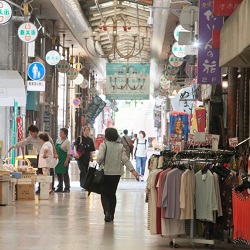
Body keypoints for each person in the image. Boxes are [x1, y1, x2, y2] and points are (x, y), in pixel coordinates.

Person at [96, 127, 140, 223]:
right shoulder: (120, 147)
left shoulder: (104, 145)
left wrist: (98, 162)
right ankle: (111, 214)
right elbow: (125, 160)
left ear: (107, 135)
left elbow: (100, 158)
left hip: (105, 173)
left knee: (104, 194)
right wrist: (133, 171)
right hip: (116, 174)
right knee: (112, 194)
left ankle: (106, 212)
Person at [8, 124, 58, 194]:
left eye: (31, 133)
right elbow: (23, 142)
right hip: (40, 156)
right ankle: (40, 188)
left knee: (49, 172)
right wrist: (13, 146)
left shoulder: (43, 135)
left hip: (48, 156)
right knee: (40, 172)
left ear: (35, 132)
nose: (30, 134)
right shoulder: (31, 138)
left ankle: (50, 188)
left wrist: (55, 153)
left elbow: (52, 144)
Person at [54, 128, 71, 193]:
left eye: (62, 133)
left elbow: (69, 153)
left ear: (65, 134)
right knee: (58, 173)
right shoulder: (58, 140)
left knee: (65, 173)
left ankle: (67, 187)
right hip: (58, 159)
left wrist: (66, 161)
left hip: (64, 159)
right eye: (60, 132)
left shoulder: (67, 142)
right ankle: (60, 187)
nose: (60, 134)